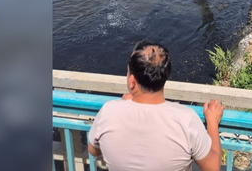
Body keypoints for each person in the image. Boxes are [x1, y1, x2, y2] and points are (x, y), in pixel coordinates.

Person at [87, 41, 224, 171]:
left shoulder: (109, 112)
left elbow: (93, 150)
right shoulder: (186, 119)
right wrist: (212, 122)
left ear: (132, 81)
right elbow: (212, 167)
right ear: (164, 76)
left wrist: (126, 103)